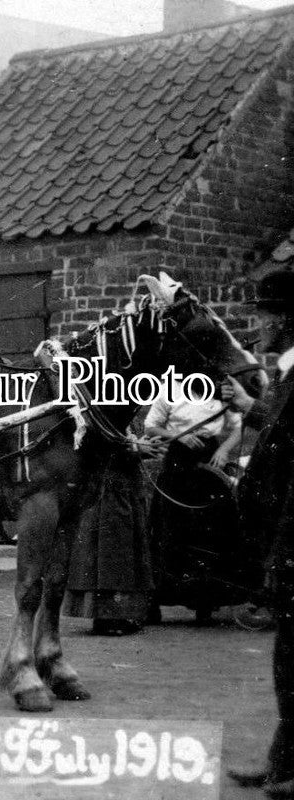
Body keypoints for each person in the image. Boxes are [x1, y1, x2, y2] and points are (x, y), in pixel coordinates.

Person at [222, 270, 294, 797]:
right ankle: (282, 765)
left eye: (266, 314)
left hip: (293, 544)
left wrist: (281, 554)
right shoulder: (289, 378)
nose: (257, 325)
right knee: (289, 660)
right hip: (285, 543)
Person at [144, 395, 245, 622]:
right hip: (177, 464)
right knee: (169, 532)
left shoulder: (220, 391)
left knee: (210, 533)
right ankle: (156, 601)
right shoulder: (170, 390)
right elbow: (150, 427)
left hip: (208, 462)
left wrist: (224, 450)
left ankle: (205, 603)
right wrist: (179, 435)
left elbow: (239, 426)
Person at [62, 420, 166, 636]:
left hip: (124, 483)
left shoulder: (127, 409)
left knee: (123, 549)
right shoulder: (100, 406)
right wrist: (136, 447)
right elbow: (99, 441)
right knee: (108, 550)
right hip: (106, 487)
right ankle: (107, 617)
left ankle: (122, 614)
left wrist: (140, 447)